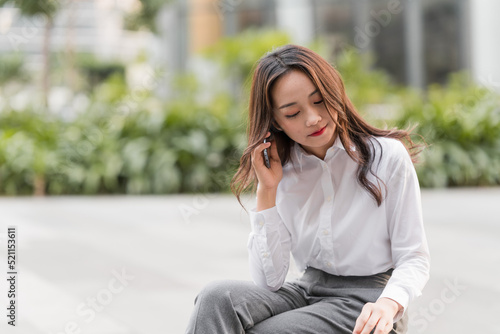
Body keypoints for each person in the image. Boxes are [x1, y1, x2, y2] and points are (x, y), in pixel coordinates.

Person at [185, 44, 430, 334]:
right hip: (307, 290)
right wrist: (267, 190)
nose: (312, 118)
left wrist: (388, 304)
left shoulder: (386, 157)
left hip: (369, 302)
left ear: (334, 92)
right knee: (215, 298)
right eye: (292, 113)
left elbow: (414, 256)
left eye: (319, 101)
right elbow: (270, 282)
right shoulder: (281, 170)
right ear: (275, 121)